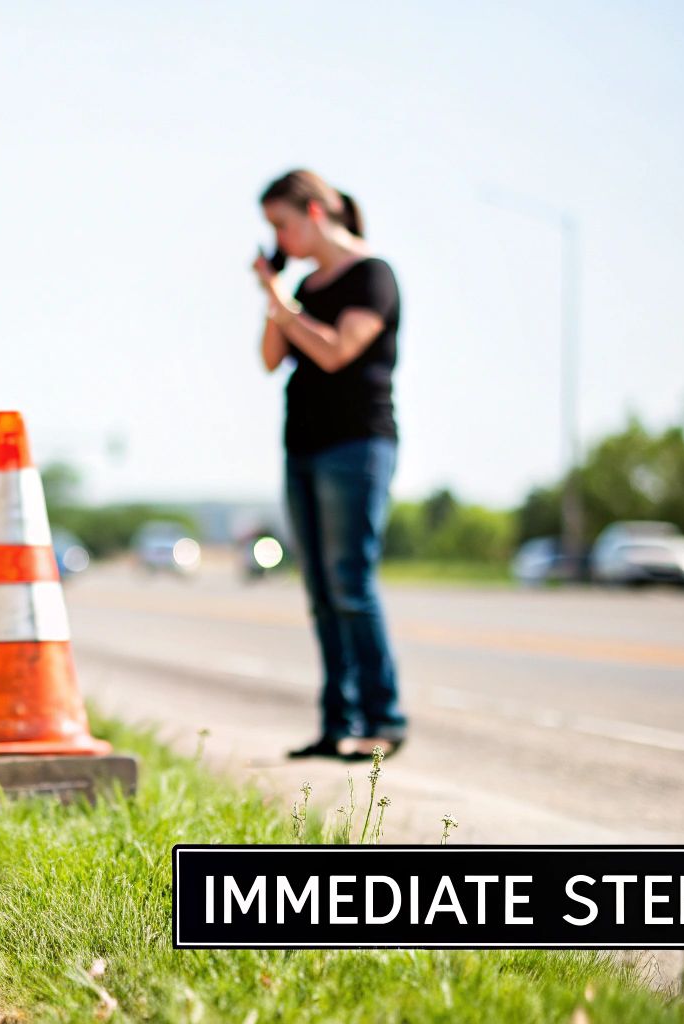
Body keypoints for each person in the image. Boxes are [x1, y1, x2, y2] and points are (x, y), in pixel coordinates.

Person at [252, 169, 408, 760]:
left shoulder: (373, 275)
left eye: (281, 224)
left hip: (357, 446)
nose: (278, 237)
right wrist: (278, 298)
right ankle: (336, 722)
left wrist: (279, 301)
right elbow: (272, 359)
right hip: (304, 446)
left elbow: (336, 351)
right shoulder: (306, 290)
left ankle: (383, 718)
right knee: (319, 590)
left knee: (351, 583)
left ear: (315, 213)